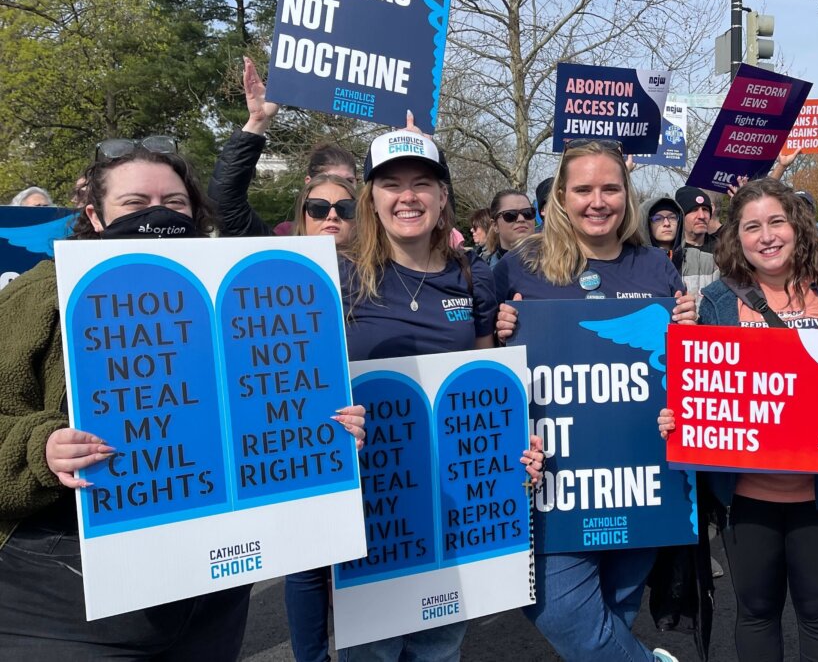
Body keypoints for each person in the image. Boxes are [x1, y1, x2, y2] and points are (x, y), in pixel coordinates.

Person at [0, 137, 366, 659]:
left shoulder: (237, 295)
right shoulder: (40, 296)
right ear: (95, 215)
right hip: (65, 602)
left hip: (209, 597)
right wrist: (41, 449)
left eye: (173, 203)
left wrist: (327, 427)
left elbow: (260, 407)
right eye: (135, 203)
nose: (157, 215)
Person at [654, 178, 818, 661]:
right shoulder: (717, 300)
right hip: (746, 494)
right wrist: (679, 416)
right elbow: (698, 386)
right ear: (737, 237)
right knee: (755, 611)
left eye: (777, 222)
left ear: (798, 226)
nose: (767, 236)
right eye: (752, 227)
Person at [327, 129, 543, 661]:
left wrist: (518, 446)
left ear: (443, 196)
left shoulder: (474, 277)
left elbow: (488, 386)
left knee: (439, 648)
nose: (408, 196)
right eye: (391, 184)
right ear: (371, 199)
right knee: (373, 651)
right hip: (372, 498)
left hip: (456, 498)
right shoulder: (336, 275)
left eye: (422, 183)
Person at [493, 139, 696, 662]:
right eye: (583, 189)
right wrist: (498, 331)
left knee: (614, 616)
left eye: (610, 188)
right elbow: (480, 362)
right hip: (552, 482)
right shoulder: (519, 265)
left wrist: (689, 329)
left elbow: (684, 371)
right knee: (561, 611)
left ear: (627, 194)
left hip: (640, 479)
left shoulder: (655, 267)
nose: (597, 201)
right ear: (561, 196)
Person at [208, 57, 359, 239]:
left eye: (348, 182)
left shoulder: (379, 244)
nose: (338, 189)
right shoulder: (284, 243)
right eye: (328, 179)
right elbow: (225, 206)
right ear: (308, 184)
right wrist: (258, 121)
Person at [641, 194, 718, 294]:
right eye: (657, 218)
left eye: (672, 217)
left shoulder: (708, 262)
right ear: (646, 223)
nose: (667, 223)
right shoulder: (635, 265)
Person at [482, 188, 536, 267]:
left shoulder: (553, 261)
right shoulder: (487, 271)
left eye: (527, 212)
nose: (521, 219)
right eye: (510, 215)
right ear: (495, 225)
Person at [675, 186, 719, 252]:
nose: (702, 216)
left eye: (705, 209)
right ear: (681, 216)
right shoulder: (670, 250)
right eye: (694, 210)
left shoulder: (721, 248)